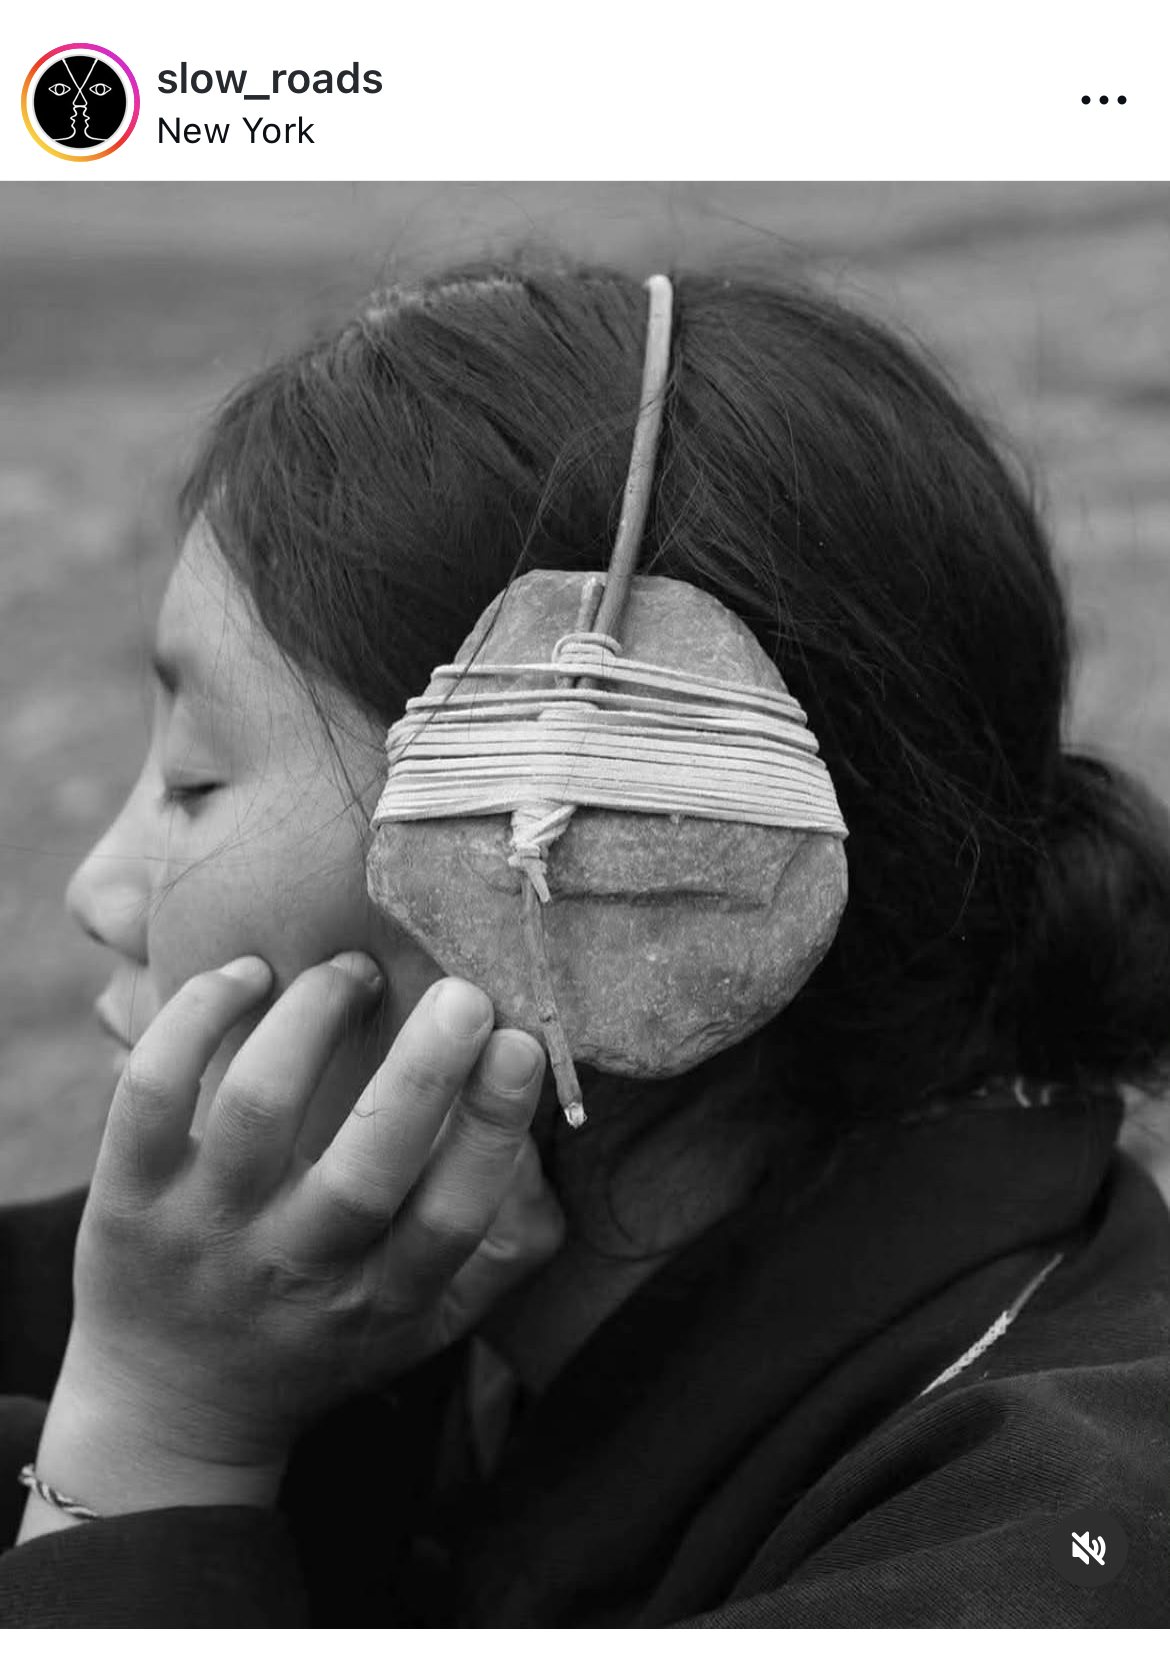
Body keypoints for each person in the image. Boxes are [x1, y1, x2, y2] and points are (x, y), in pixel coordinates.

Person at [1, 259, 1169, 1627]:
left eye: (195, 779)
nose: (101, 885)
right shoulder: (264, 1289)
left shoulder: (1030, 1553)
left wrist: (153, 1448)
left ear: (575, 879)